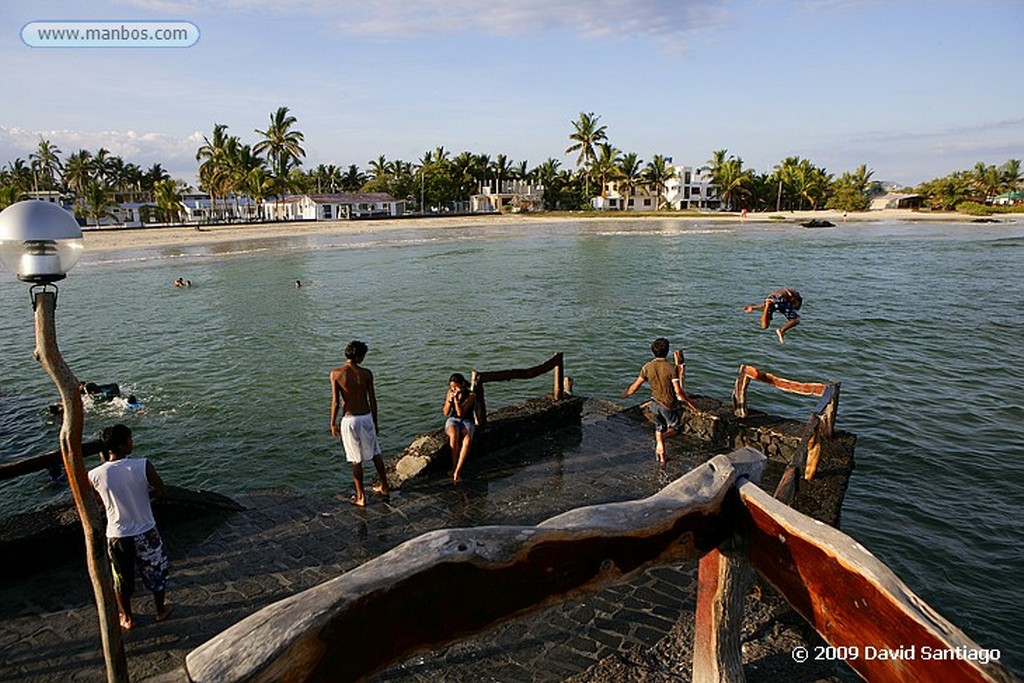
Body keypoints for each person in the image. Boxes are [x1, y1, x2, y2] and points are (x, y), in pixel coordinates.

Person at [87, 424, 171, 630]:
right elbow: (162, 492)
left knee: (121, 578)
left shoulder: (95, 475)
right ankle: (160, 611)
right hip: (146, 530)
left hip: (117, 534)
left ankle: (127, 617)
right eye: (130, 440)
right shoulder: (143, 465)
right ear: (123, 444)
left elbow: (92, 501)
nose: (132, 443)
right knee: (156, 573)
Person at [329, 340, 389, 507]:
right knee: (376, 452)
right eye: (363, 355)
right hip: (366, 416)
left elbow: (335, 402)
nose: (364, 358)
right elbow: (373, 399)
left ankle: (361, 496)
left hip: (350, 419)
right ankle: (384, 486)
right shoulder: (366, 373)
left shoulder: (336, 374)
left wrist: (332, 422)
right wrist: (375, 421)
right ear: (358, 356)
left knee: (356, 459)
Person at [622, 338, 691, 465]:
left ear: (653, 351)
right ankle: (661, 439)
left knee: (659, 427)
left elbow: (635, 387)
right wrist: (690, 403)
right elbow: (678, 391)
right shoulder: (672, 368)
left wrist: (625, 394)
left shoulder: (647, 367)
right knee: (676, 429)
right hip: (668, 404)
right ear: (667, 351)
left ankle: (662, 457)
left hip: (654, 403)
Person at [443, 373, 477, 484]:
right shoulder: (450, 392)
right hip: (453, 419)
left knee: (467, 439)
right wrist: (449, 400)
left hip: (467, 420)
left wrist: (456, 401)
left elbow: (461, 413)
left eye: (455, 386)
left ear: (462, 384)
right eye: (451, 387)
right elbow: (446, 412)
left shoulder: (471, 395)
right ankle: (453, 466)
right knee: (454, 435)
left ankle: (458, 470)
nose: (453, 389)